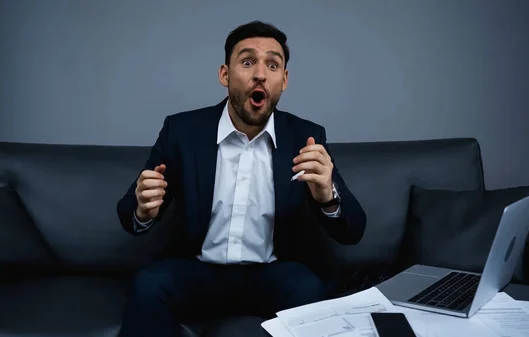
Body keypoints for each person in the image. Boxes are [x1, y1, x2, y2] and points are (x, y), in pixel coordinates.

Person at [116, 21, 367, 337]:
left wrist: (327, 196)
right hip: (197, 271)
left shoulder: (306, 137)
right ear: (225, 74)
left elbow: (354, 230)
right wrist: (142, 210)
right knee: (149, 284)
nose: (260, 73)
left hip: (272, 274)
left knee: (309, 289)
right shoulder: (182, 132)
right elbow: (129, 214)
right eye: (248, 62)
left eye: (272, 65)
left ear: (284, 80)